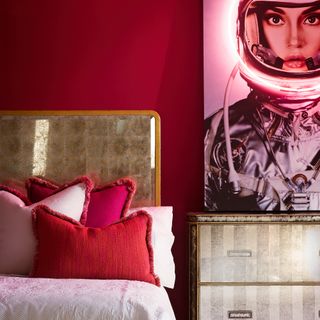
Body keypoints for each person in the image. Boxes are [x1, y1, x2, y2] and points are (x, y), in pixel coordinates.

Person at [204, 0, 320, 211]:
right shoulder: (220, 133)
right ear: (250, 30)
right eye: (276, 19)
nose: (295, 40)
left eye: (312, 19)